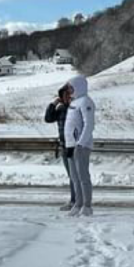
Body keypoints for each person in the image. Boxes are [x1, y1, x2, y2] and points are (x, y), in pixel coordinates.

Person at [64, 75, 96, 217]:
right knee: (74, 177)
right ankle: (78, 203)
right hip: (70, 144)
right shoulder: (74, 102)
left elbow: (89, 124)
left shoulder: (86, 102)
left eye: (71, 88)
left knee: (83, 176)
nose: (69, 91)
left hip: (81, 145)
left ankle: (87, 205)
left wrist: (81, 143)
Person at [45, 84, 75, 211]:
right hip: (64, 146)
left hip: (75, 146)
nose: (67, 97)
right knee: (71, 175)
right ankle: (75, 200)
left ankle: (76, 201)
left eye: (68, 94)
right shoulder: (61, 109)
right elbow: (48, 118)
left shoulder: (75, 108)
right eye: (64, 95)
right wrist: (53, 104)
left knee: (76, 175)